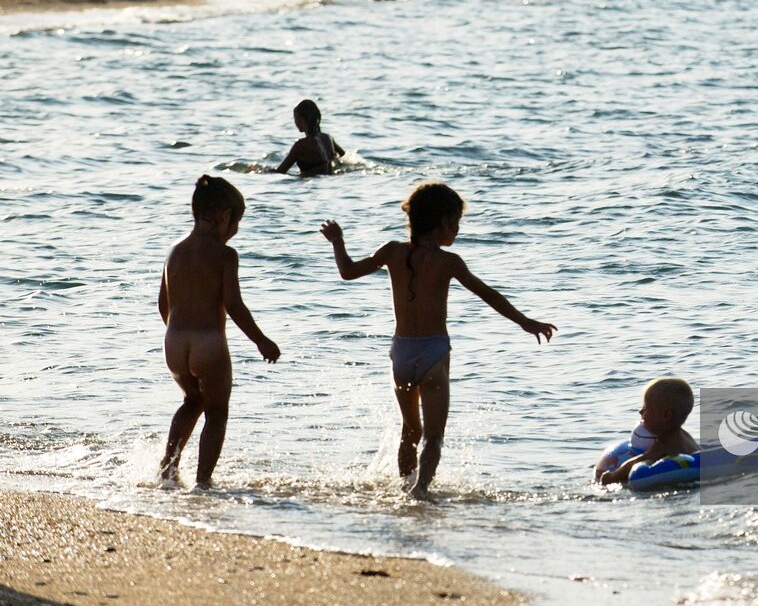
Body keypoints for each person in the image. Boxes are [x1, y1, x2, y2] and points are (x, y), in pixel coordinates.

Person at [320, 184, 556, 498]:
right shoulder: (449, 262)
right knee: (433, 436)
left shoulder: (392, 250)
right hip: (432, 353)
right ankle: (419, 489)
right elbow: (487, 294)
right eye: (456, 223)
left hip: (402, 353)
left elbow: (348, 271)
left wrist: (337, 241)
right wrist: (525, 322)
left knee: (410, 430)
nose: (457, 230)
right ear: (443, 223)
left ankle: (404, 485)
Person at [158, 176, 281, 487]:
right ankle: (203, 481)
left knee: (191, 402)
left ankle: (167, 471)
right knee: (217, 413)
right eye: (236, 222)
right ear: (224, 216)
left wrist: (179, 332)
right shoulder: (226, 255)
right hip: (208, 346)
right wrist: (261, 340)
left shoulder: (174, 250)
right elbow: (234, 305)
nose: (235, 231)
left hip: (174, 344)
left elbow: (163, 303)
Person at [597, 378, 700, 485]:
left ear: (666, 416)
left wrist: (612, 476)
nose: (640, 411)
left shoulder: (664, 444)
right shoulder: (685, 436)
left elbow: (640, 460)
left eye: (646, 408)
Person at [275, 99, 345, 176]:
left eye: (295, 118)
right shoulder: (328, 138)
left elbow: (280, 172)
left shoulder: (300, 145)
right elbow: (344, 156)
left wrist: (261, 170)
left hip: (315, 182)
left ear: (301, 120)